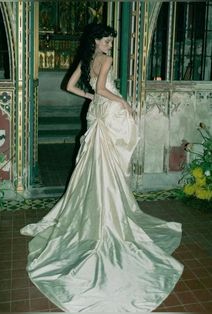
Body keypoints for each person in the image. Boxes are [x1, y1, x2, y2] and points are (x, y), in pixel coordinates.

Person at [21, 23, 183, 312]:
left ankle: (95, 208)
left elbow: (71, 86)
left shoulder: (87, 59)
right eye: (107, 40)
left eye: (110, 41)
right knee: (110, 159)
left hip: (95, 113)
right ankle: (106, 213)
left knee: (95, 162)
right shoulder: (105, 60)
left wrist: (92, 97)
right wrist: (122, 101)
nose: (110, 44)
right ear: (97, 41)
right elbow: (103, 89)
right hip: (107, 113)